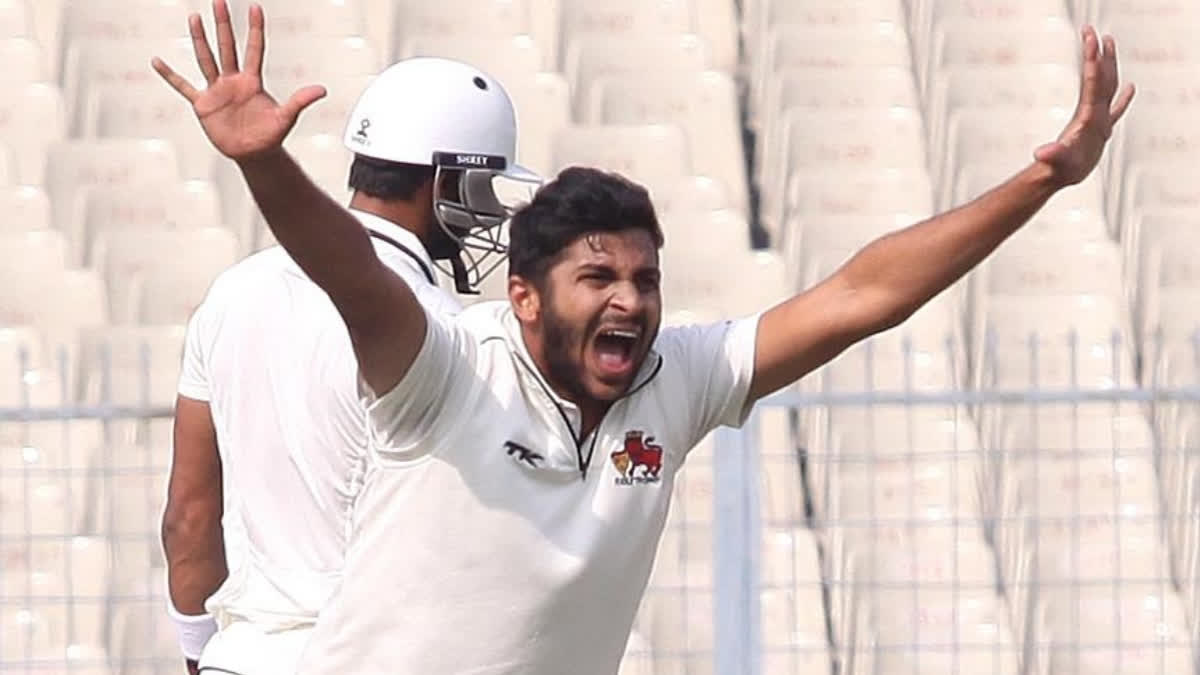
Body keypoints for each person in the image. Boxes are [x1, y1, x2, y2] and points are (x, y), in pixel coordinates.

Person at [153, 1, 1134, 671]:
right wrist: (266, 170)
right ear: (524, 298)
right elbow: (353, 275)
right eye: (597, 278)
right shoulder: (444, 363)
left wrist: (1041, 181)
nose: (628, 301)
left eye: (644, 278)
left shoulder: (680, 376)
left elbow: (863, 294)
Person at [156, 3, 539, 673]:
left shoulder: (230, 294)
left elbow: (188, 518)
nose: (484, 218)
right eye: (481, 189)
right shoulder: (441, 326)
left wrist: (199, 659)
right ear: (447, 181)